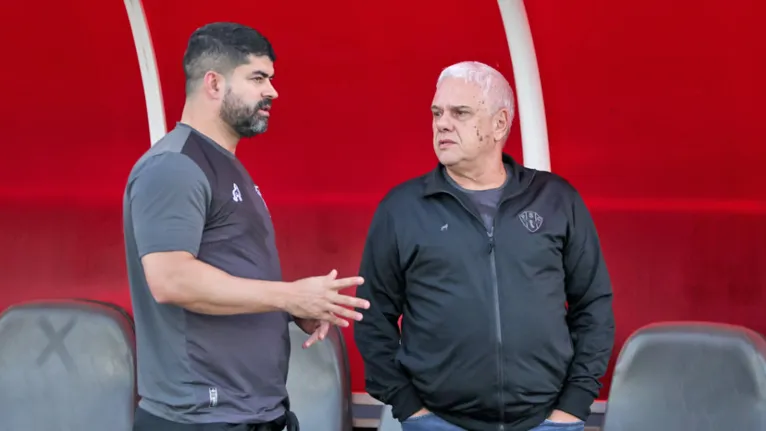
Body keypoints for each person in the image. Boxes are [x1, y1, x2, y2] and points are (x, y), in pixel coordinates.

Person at [123, 22, 369, 431]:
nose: (272, 91)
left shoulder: (224, 167)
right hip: (201, 420)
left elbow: (228, 277)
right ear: (214, 84)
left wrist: (292, 307)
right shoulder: (174, 166)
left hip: (253, 414)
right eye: (258, 78)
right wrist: (288, 295)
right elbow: (171, 279)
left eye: (270, 79)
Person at [354, 61, 615, 431]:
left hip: (547, 421)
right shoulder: (402, 208)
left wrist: (573, 407)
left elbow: (593, 305)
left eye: (459, 112)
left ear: (499, 123)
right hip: (438, 422)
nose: (442, 123)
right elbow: (372, 313)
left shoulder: (555, 199)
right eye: (436, 112)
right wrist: (409, 407)